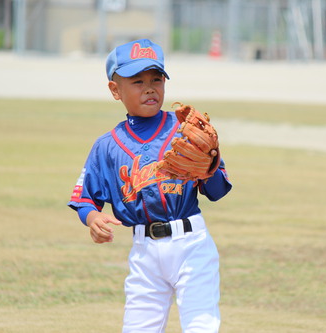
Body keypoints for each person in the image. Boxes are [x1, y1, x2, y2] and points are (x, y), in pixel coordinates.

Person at [68, 39, 232, 333]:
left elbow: (218, 192)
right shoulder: (107, 146)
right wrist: (93, 219)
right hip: (144, 250)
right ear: (115, 90)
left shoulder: (185, 132)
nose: (149, 87)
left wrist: (210, 165)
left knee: (201, 326)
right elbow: (84, 199)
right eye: (137, 81)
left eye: (157, 79)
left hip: (191, 245)